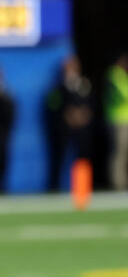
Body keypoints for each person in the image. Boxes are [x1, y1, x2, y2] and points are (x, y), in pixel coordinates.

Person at [45, 56, 93, 192]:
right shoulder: (57, 88)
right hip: (64, 128)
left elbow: (91, 104)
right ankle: (55, 189)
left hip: (82, 128)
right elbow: (53, 106)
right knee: (59, 157)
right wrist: (66, 115)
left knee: (83, 158)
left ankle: (83, 189)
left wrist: (83, 114)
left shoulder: (85, 85)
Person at [105, 54, 128, 191]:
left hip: (124, 120)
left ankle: (123, 182)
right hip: (118, 120)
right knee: (118, 152)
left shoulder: (123, 76)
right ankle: (118, 183)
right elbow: (122, 95)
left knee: (124, 152)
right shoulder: (114, 75)